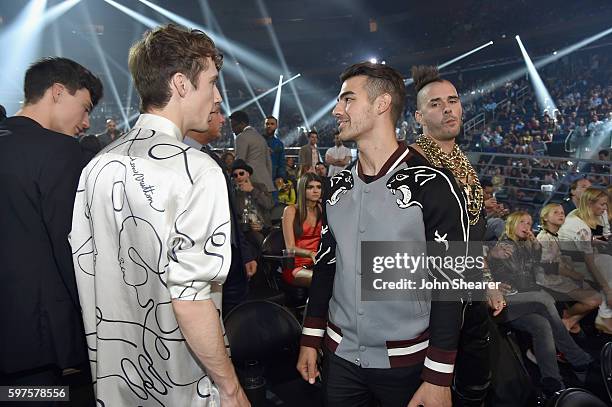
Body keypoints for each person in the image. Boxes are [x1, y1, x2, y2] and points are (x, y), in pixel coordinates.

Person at [69, 24, 248, 406]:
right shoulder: (197, 169)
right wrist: (230, 388)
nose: (217, 98)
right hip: (184, 385)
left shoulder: (96, 166)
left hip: (118, 386)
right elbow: (191, 299)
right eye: (212, 83)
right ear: (182, 84)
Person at [298, 62, 469, 407]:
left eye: (347, 99)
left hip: (408, 366)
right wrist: (311, 337)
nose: (336, 110)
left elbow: (453, 282)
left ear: (381, 104)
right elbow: (327, 264)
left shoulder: (434, 186)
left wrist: (438, 376)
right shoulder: (337, 186)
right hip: (340, 357)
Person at [0, 57, 103, 388]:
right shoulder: (59, 151)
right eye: (84, 108)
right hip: (37, 342)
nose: (86, 122)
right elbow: (72, 247)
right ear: (58, 92)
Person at [488, 211, 593, 396]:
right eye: (522, 222)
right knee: (544, 299)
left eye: (529, 223)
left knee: (541, 324)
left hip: (521, 303)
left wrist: (535, 247)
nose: (527, 227)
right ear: (511, 223)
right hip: (504, 301)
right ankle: (577, 359)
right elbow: (519, 280)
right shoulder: (505, 245)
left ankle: (552, 382)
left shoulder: (525, 245)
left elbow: (531, 272)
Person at [185, 102, 258, 317]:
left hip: (231, 255)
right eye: (217, 113)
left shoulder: (211, 157)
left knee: (234, 321)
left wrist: (243, 253)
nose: (223, 120)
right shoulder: (181, 158)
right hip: (205, 263)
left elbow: (230, 213)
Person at [536, 203, 601, 334]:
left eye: (562, 212)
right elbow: (549, 267)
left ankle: (570, 321)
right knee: (595, 299)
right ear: (546, 218)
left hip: (562, 278)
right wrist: (573, 274)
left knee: (600, 291)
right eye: (556, 212)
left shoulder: (556, 235)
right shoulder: (544, 238)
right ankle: (566, 316)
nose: (561, 214)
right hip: (550, 281)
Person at [559, 187, 612, 334]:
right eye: (602, 205)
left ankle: (570, 321)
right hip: (567, 266)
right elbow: (589, 262)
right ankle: (604, 317)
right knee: (607, 278)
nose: (605, 208)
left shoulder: (582, 216)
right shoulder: (579, 227)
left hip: (578, 259)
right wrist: (607, 290)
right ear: (590, 204)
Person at [281, 173, 323, 287]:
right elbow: (290, 247)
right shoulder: (290, 210)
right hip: (296, 267)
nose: (316, 191)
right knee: (322, 280)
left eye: (318, 187)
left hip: (319, 262)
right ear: (302, 189)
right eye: (310, 187)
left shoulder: (321, 208)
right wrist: (310, 254)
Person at [232, 159, 275, 250]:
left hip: (265, 227)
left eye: (241, 173)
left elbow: (269, 205)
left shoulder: (260, 187)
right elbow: (234, 215)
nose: (239, 177)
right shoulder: (233, 193)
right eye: (235, 175)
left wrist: (252, 190)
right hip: (245, 231)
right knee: (256, 239)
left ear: (248, 174)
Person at [230, 110, 275, 193]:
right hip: (267, 184)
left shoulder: (241, 137)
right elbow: (269, 163)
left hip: (251, 185)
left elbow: (239, 163)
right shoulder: (260, 138)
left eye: (234, 126)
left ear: (242, 124)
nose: (233, 130)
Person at [263, 115, 286, 181]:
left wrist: (280, 177)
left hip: (273, 179)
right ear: (264, 125)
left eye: (272, 124)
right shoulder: (257, 141)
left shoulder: (279, 144)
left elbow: (281, 163)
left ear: (276, 126)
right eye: (267, 124)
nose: (269, 126)